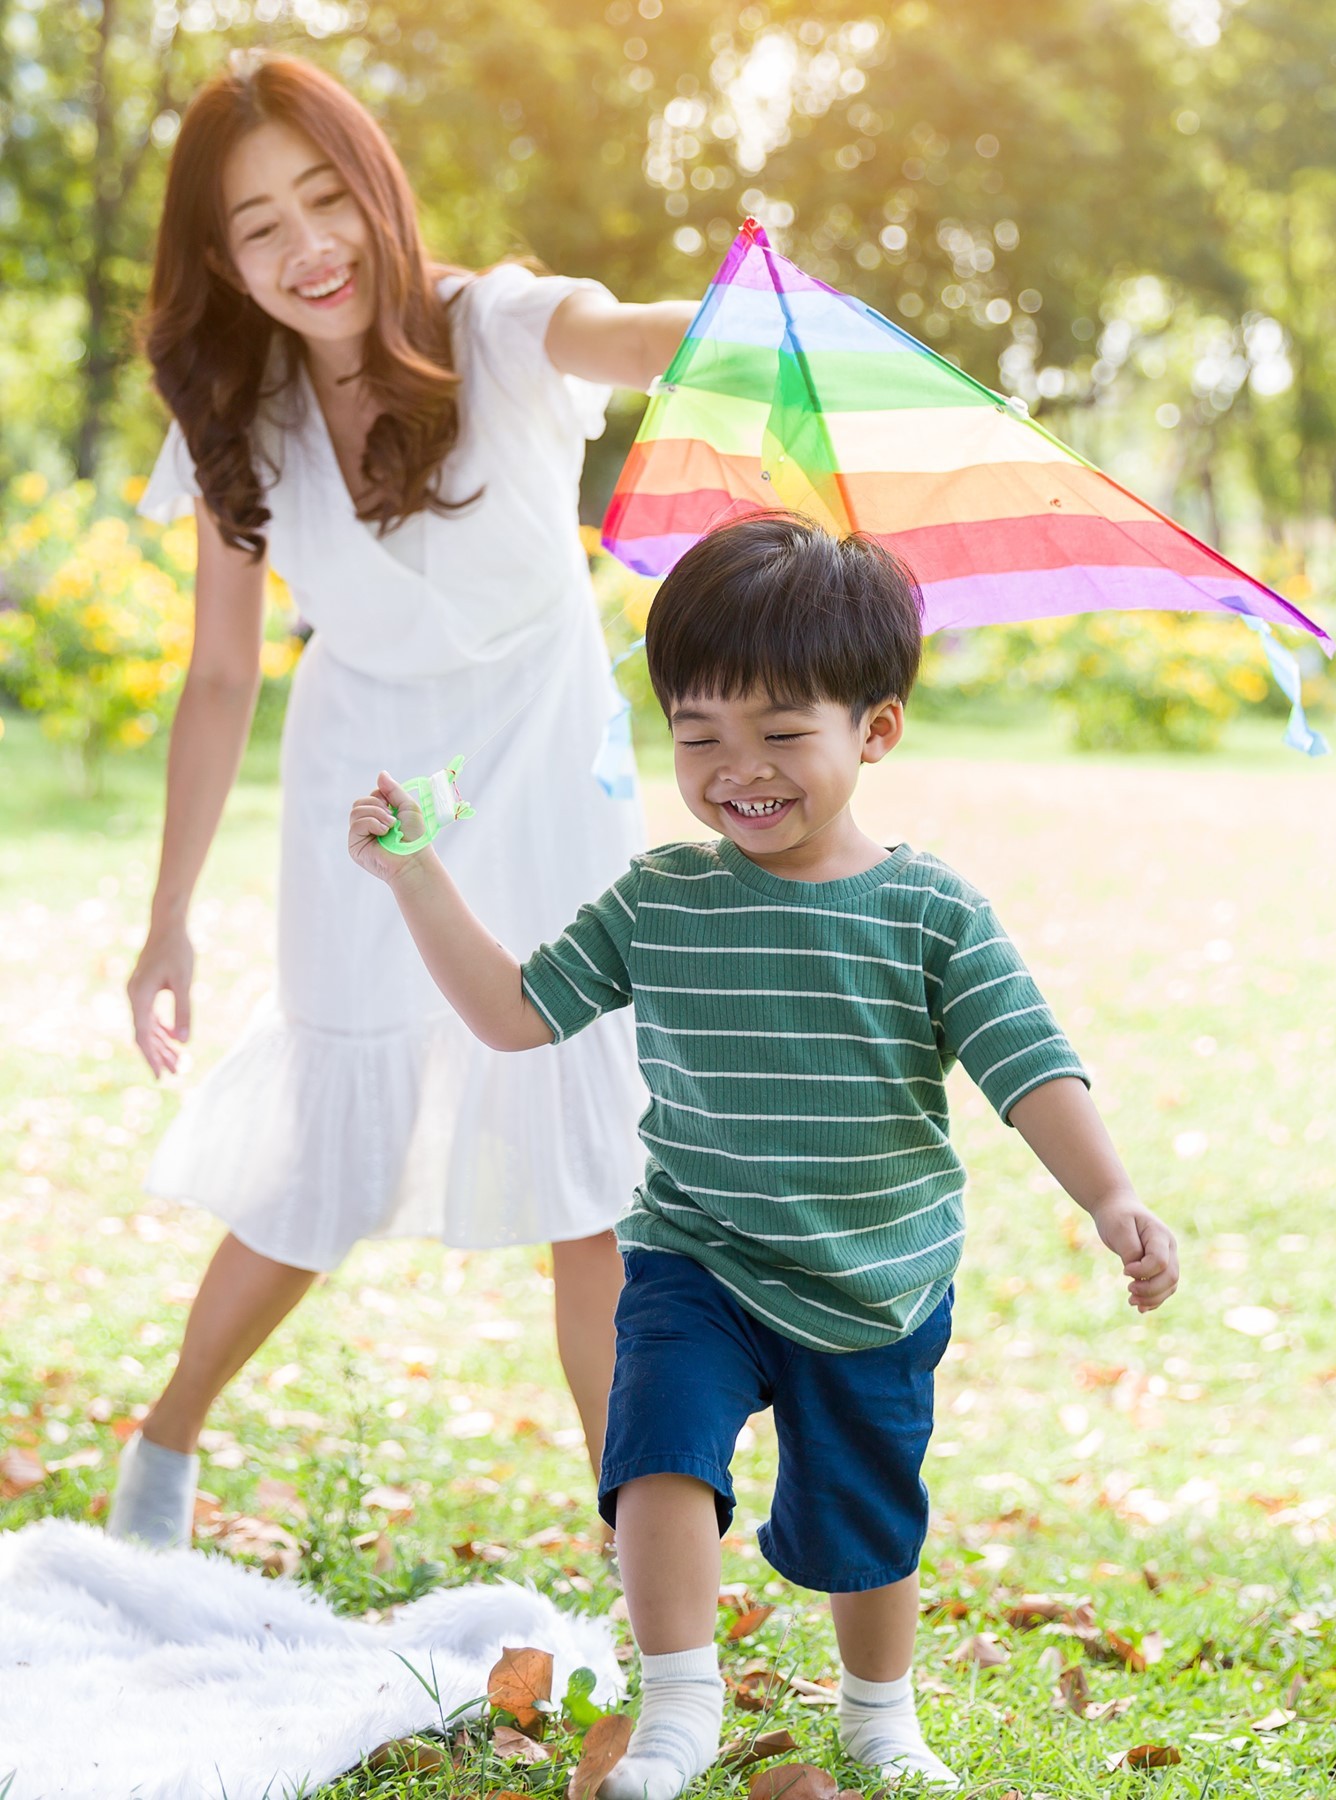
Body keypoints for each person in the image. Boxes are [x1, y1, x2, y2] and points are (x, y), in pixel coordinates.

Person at [347, 511, 1182, 1793]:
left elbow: (1028, 1063)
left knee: (866, 1520)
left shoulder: (928, 909)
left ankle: (880, 1714)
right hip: (700, 1256)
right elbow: (517, 1013)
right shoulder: (663, 898)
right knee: (657, 1462)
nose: (740, 768)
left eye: (784, 733)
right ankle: (680, 1703)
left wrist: (1113, 1194)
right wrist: (417, 880)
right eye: (699, 735)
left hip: (875, 1275)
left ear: (876, 730)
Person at [109, 50, 697, 1548]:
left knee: (590, 1186)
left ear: (374, 189)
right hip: (369, 799)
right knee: (328, 1155)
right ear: (221, 260)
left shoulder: (498, 327)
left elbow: (635, 337)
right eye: (256, 226)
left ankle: (642, 1558)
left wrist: (746, 321)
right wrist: (167, 919)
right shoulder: (239, 416)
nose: (305, 245)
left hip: (546, 769)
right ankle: (162, 1449)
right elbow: (222, 678)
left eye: (324, 197)